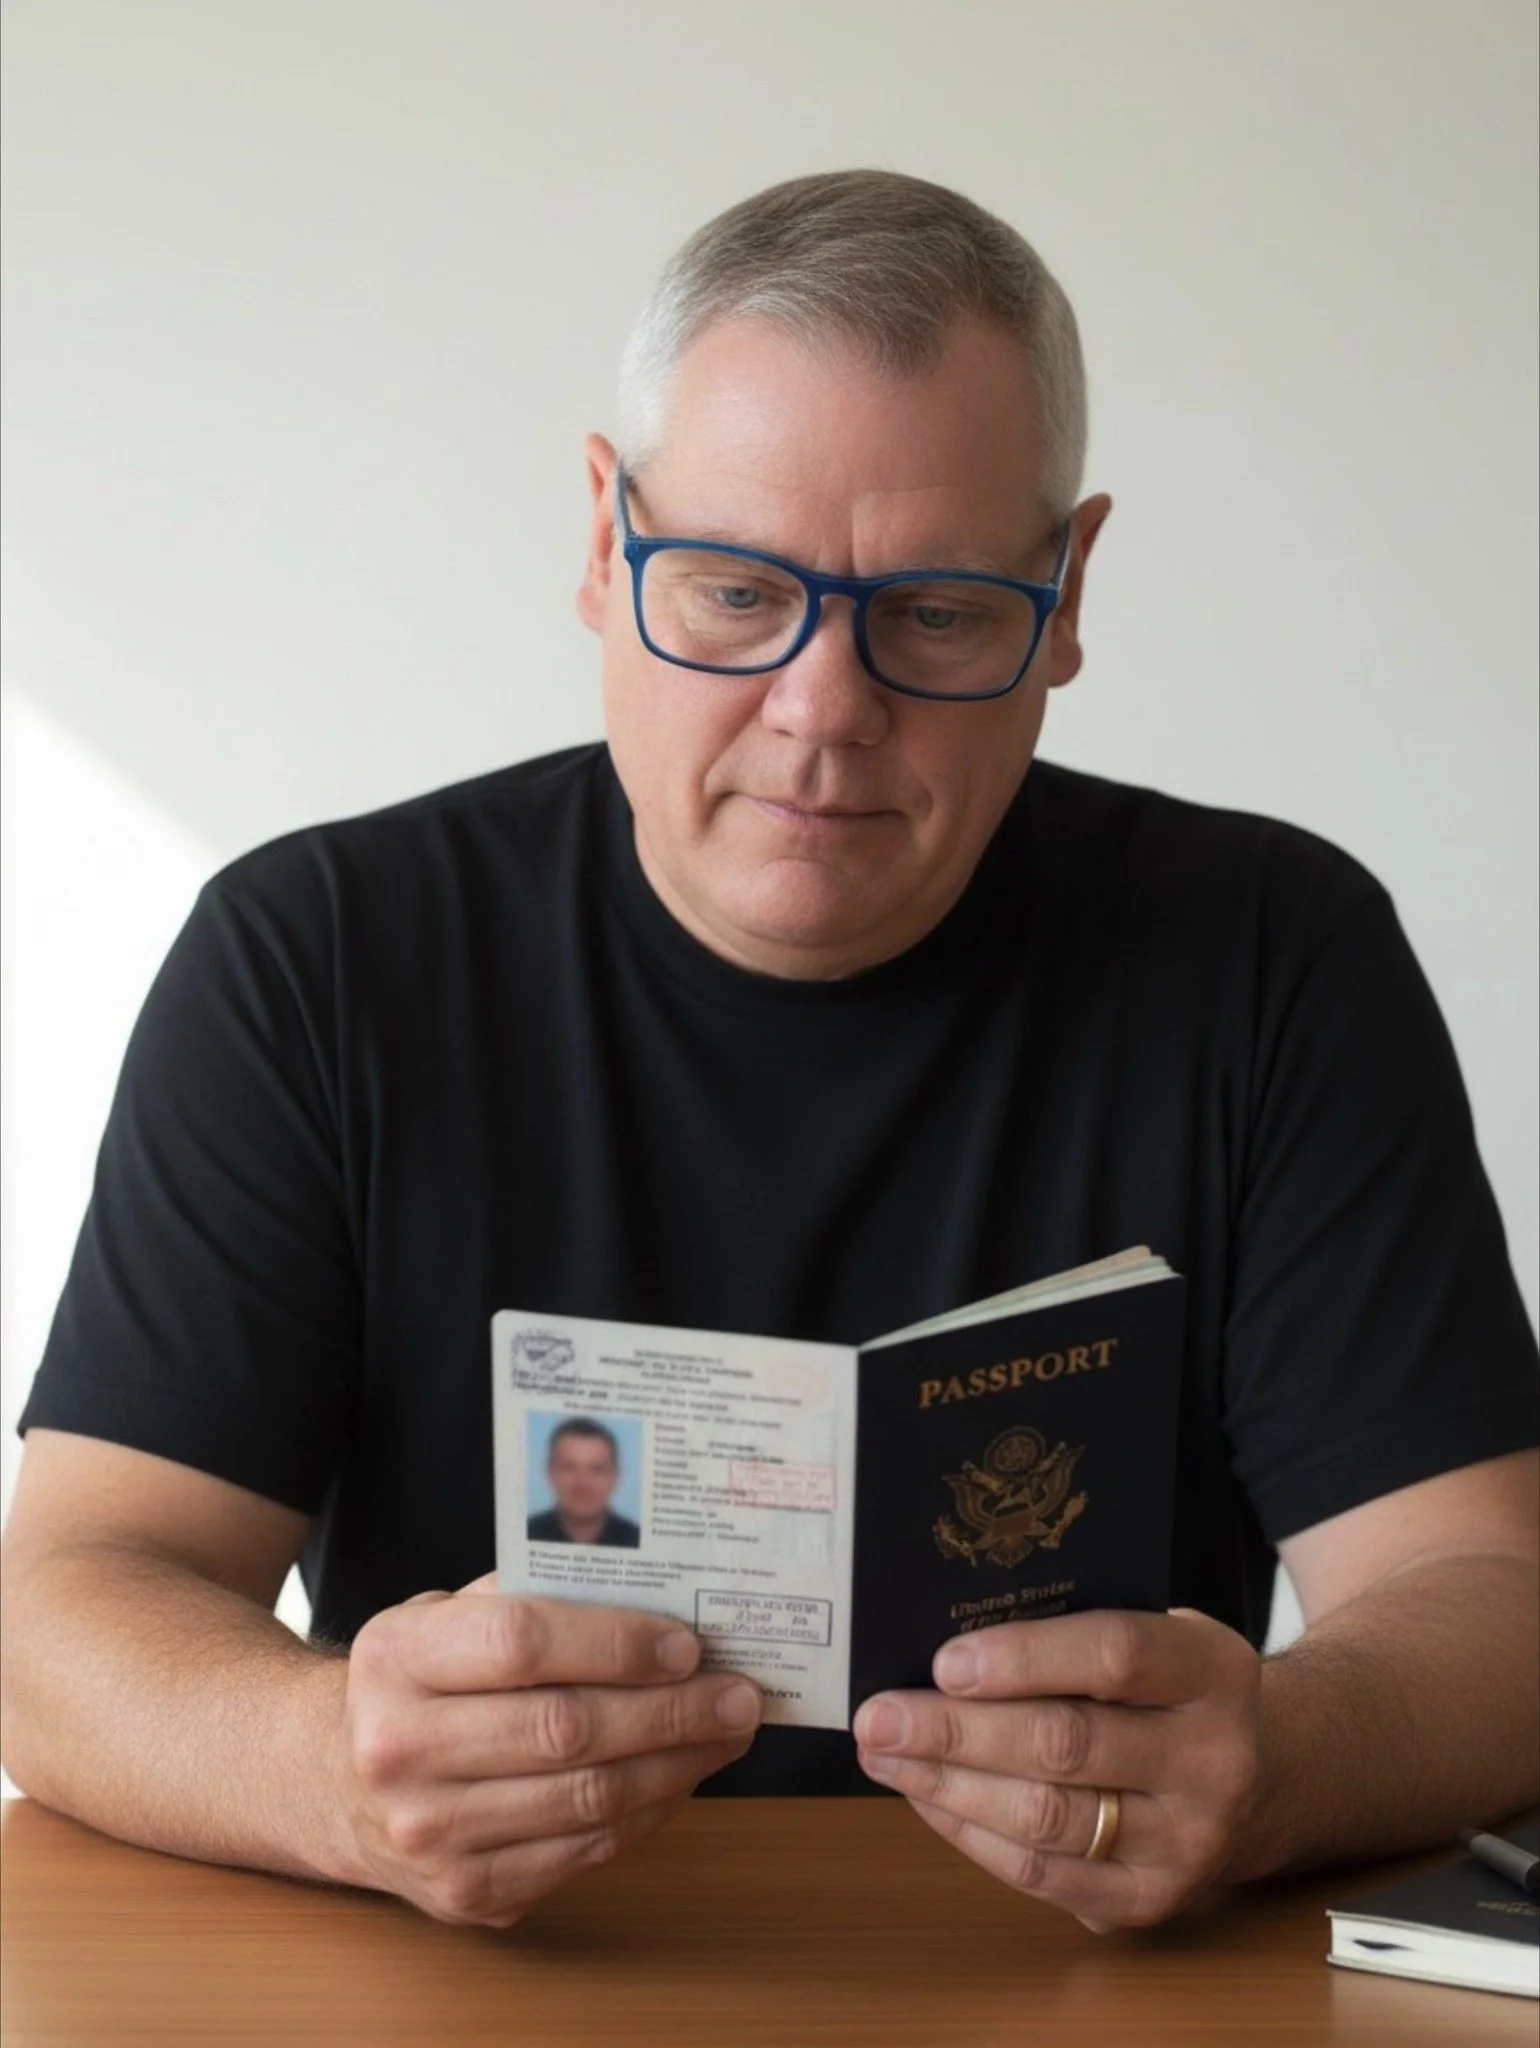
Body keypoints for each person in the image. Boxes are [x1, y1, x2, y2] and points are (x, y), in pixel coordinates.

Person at [3, 170, 1536, 1937]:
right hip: (474, 1980)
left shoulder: (1277, 957)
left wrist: (1275, 1759)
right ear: (603, 541)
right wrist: (329, 1763)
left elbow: (1489, 1602)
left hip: (1075, 1987)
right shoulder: (318, 953)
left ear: (1066, 588)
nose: (823, 709)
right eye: (734, 591)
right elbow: (62, 1615)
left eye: (942, 613)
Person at [526, 1419, 641, 1549]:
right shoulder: (524, 1533)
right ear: (550, 1472)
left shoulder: (637, 1539)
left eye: (596, 1469)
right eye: (569, 1468)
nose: (583, 1482)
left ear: (616, 1476)